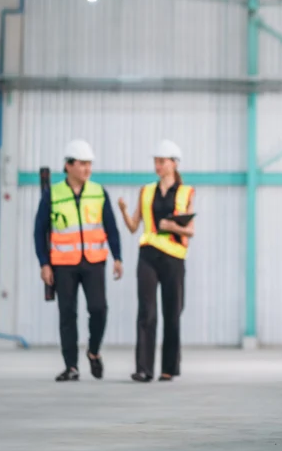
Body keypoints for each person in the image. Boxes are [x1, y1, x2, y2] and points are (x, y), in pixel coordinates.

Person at [34, 139, 123, 382]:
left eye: (89, 164)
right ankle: (71, 366)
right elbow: (39, 231)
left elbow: (111, 227)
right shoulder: (52, 194)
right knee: (67, 314)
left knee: (99, 309)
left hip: (93, 262)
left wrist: (118, 257)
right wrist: (44, 263)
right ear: (69, 166)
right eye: (82, 164)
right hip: (63, 264)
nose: (87, 169)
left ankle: (93, 352)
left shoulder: (98, 192)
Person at [117, 140, 196, 383]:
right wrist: (123, 210)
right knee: (147, 311)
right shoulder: (146, 191)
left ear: (174, 164)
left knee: (172, 313)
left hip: (174, 257)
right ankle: (144, 368)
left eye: (162, 161)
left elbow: (190, 231)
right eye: (156, 161)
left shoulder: (186, 192)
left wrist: (171, 226)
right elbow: (133, 227)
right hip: (148, 254)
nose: (158, 165)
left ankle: (168, 369)